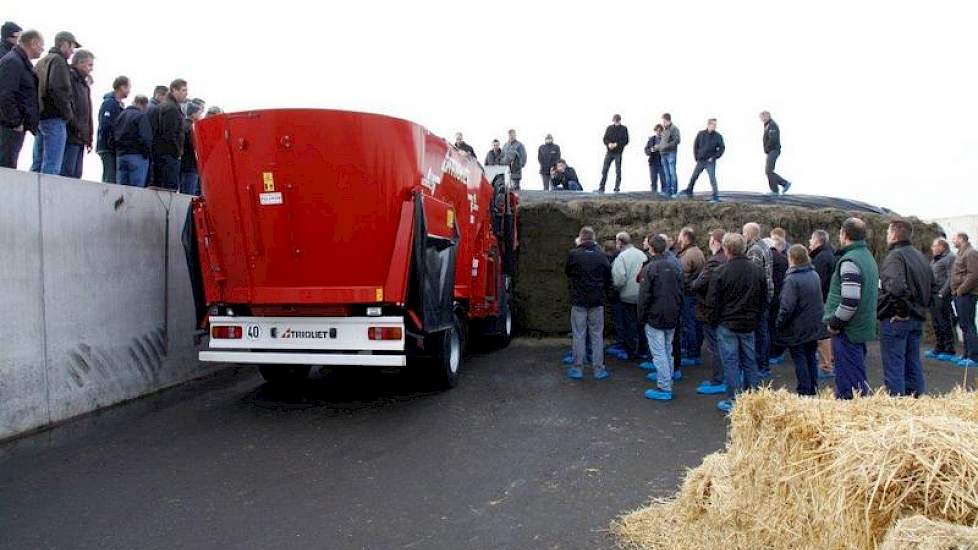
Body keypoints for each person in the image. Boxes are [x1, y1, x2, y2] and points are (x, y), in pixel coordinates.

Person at [707, 233, 767, 413]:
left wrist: (713, 320)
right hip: (748, 323)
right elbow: (764, 298)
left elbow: (713, 301)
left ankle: (734, 399)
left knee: (731, 362)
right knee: (749, 360)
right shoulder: (757, 270)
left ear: (725, 249)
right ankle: (754, 397)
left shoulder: (721, 272)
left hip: (727, 324)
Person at [823, 218, 879, 399]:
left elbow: (850, 300)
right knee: (857, 379)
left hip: (848, 332)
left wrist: (834, 323)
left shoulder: (850, 261)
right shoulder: (867, 257)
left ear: (844, 235)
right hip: (859, 329)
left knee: (850, 388)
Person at [878, 219, 934, 397]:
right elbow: (932, 287)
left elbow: (896, 287)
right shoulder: (920, 257)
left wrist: (902, 312)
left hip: (897, 320)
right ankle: (916, 401)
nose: (886, 236)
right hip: (916, 319)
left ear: (894, 235)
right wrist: (920, 310)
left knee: (895, 365)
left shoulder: (895, 257)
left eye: (888, 233)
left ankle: (898, 406)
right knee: (913, 363)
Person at [775, 245, 826, 395]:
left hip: (797, 327)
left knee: (800, 359)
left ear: (791, 258)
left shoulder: (792, 279)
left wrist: (779, 324)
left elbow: (786, 307)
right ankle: (813, 388)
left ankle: (804, 390)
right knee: (810, 356)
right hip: (813, 324)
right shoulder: (814, 274)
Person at [639, 235, 684, 401]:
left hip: (655, 316)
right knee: (668, 350)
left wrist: (641, 317)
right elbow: (681, 291)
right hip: (672, 314)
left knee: (659, 353)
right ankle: (667, 381)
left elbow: (644, 296)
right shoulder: (674, 266)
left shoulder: (650, 268)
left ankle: (664, 387)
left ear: (651, 248)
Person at [564, 226, 612, 380]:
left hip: (579, 300)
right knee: (597, 335)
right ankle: (599, 369)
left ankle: (578, 368)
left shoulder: (574, 254)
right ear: (594, 238)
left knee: (579, 334)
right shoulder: (601, 255)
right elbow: (607, 276)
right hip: (597, 300)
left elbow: (568, 272)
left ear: (581, 238)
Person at [31, 31, 81, 175]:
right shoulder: (58, 61)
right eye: (72, 47)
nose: (72, 51)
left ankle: (33, 196)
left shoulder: (42, 61)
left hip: (41, 117)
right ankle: (47, 197)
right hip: (54, 117)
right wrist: (68, 114)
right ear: (64, 44)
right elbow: (59, 89)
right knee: (52, 166)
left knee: (37, 163)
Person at [0, 30, 43, 169]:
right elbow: (5, 94)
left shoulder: (21, 63)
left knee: (10, 166)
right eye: (41, 45)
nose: (43, 49)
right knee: (6, 167)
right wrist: (15, 121)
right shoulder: (13, 62)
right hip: (7, 127)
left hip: (14, 127)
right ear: (33, 43)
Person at [692, 229, 728, 395]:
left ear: (716, 242)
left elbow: (699, 284)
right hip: (724, 310)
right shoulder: (726, 258)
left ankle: (718, 379)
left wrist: (693, 284)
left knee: (715, 347)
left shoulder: (714, 261)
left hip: (711, 310)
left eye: (711, 239)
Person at [743, 222, 775, 379]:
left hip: (758, 299)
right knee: (763, 333)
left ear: (749, 234)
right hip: (766, 294)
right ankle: (764, 365)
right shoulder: (764, 246)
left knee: (759, 334)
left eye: (744, 233)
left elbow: (752, 277)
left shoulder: (755, 250)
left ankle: (761, 366)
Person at [612, 232, 648, 360]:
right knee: (642, 324)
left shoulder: (621, 257)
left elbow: (619, 279)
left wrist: (616, 289)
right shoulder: (642, 254)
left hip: (627, 296)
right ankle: (643, 350)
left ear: (620, 242)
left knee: (629, 324)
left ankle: (631, 351)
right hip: (642, 295)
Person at [59, 49, 94, 179]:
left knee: (76, 174)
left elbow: (88, 112)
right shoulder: (70, 79)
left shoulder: (84, 85)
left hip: (81, 137)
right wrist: (75, 125)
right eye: (89, 65)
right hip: (71, 134)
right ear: (79, 62)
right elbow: (68, 105)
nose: (91, 69)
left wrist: (89, 136)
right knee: (67, 172)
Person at [151, 78, 188, 190]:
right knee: (169, 189)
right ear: (174, 90)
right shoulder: (171, 108)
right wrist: (177, 152)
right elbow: (169, 134)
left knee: (163, 187)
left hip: (164, 153)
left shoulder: (168, 106)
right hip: (168, 154)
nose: (186, 94)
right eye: (183, 90)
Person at [809, 229, 837, 372]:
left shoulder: (821, 258)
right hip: (829, 298)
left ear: (818, 241)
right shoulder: (830, 254)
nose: (809, 243)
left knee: (822, 334)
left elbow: (818, 281)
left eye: (811, 240)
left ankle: (827, 364)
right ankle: (829, 360)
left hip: (823, 299)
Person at [677, 227, 706, 366]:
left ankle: (691, 353)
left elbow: (681, 275)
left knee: (689, 323)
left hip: (688, 294)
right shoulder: (697, 251)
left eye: (680, 235)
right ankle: (693, 350)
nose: (678, 238)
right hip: (694, 293)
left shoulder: (688, 254)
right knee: (694, 322)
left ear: (686, 237)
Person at [926, 238, 957, 361]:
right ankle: (939, 347)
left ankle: (949, 349)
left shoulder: (950, 258)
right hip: (933, 294)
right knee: (936, 322)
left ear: (942, 247)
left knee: (944, 322)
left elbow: (951, 278)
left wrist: (942, 293)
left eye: (934, 246)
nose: (932, 248)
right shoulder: (935, 259)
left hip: (941, 295)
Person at [95, 76, 130, 183]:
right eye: (128, 87)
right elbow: (105, 124)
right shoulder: (110, 103)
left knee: (113, 177)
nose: (129, 90)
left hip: (113, 147)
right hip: (108, 146)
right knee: (109, 178)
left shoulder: (119, 105)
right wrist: (114, 139)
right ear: (122, 87)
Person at [951, 232, 978, 368]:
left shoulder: (970, 253)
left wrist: (960, 290)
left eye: (954, 239)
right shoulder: (961, 253)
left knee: (968, 325)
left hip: (967, 295)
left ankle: (973, 356)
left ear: (961, 239)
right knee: (964, 325)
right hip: (961, 295)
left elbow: (973, 275)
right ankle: (966, 354)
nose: (952, 241)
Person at [113, 95, 153, 186]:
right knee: (136, 191)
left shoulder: (121, 115)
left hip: (121, 155)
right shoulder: (141, 116)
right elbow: (146, 138)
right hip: (137, 155)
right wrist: (147, 153)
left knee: (121, 191)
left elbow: (113, 133)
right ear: (145, 105)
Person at [684, 118, 724, 202]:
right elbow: (695, 145)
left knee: (712, 178)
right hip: (701, 160)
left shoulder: (718, 136)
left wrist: (714, 157)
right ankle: (689, 190)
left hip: (710, 161)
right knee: (694, 176)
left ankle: (715, 196)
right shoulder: (701, 134)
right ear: (709, 125)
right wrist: (696, 157)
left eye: (716, 125)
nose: (715, 126)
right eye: (713, 125)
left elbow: (722, 149)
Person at [766, 236, 790, 365]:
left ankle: (773, 351)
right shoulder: (783, 258)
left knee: (770, 327)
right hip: (781, 295)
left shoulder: (770, 258)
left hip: (773, 296)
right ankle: (778, 351)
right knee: (777, 325)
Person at [760, 110, 792, 195]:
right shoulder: (767, 125)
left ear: (768, 116)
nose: (762, 119)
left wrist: (767, 148)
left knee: (769, 170)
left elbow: (773, 139)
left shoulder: (772, 125)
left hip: (774, 150)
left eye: (763, 117)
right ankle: (784, 184)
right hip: (771, 151)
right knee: (768, 171)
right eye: (761, 118)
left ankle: (775, 190)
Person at [179, 98, 206, 195]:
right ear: (193, 114)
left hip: (183, 163)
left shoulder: (183, 124)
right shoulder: (191, 128)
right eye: (199, 113)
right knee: (188, 194)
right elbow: (193, 145)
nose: (201, 115)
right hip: (190, 164)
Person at [598, 114, 629, 193]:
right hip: (609, 152)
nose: (616, 121)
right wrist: (608, 144)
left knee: (618, 170)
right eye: (615, 119)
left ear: (619, 120)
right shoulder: (609, 128)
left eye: (617, 119)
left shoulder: (624, 129)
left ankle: (616, 188)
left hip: (618, 152)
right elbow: (605, 139)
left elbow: (626, 140)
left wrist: (616, 144)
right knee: (604, 170)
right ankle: (601, 187)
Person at [654, 113, 681, 197]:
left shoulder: (674, 128)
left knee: (672, 172)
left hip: (671, 153)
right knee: (666, 173)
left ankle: (674, 192)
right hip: (663, 154)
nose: (662, 122)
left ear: (667, 120)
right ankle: (668, 191)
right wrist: (658, 147)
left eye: (663, 120)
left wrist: (666, 146)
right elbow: (663, 142)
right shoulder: (664, 130)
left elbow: (677, 140)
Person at [643, 124, 665, 194]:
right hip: (653, 163)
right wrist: (651, 150)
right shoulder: (651, 139)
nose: (658, 132)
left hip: (662, 163)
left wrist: (661, 148)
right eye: (657, 130)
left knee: (664, 181)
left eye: (660, 131)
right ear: (655, 131)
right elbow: (646, 150)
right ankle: (653, 196)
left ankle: (665, 197)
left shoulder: (665, 140)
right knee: (653, 181)